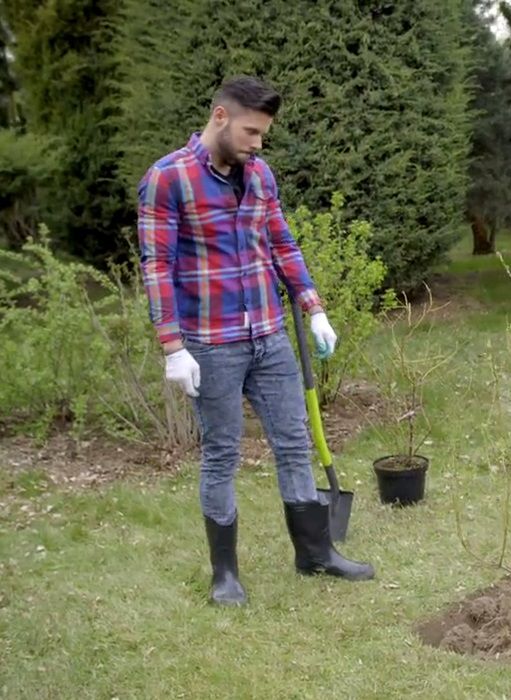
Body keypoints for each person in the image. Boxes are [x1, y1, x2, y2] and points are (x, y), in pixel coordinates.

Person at [136, 76, 374, 607]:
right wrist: (173, 347)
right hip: (212, 344)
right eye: (251, 131)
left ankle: (314, 554)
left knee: (294, 443)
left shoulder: (260, 175)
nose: (258, 143)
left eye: (263, 134)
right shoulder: (167, 179)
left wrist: (314, 308)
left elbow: (282, 242)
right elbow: (157, 267)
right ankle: (226, 575)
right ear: (220, 116)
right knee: (221, 453)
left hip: (269, 335)